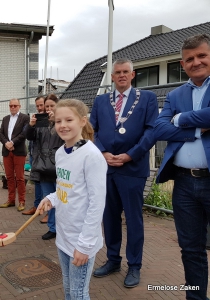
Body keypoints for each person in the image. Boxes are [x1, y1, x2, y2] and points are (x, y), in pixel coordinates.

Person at [90, 58, 159, 288]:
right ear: (112, 77)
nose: (121, 75)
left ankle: (135, 266)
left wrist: (131, 154)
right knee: (109, 218)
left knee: (133, 219)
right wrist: (102, 153)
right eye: (117, 72)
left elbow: (151, 131)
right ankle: (112, 260)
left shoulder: (148, 99)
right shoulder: (100, 101)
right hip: (106, 168)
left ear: (132, 74)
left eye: (125, 72)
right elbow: (92, 130)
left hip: (132, 168)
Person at [154, 34, 210, 300]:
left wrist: (182, 119)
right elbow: (159, 127)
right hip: (184, 183)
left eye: (202, 56)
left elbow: (173, 123)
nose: (196, 62)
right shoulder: (176, 94)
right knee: (190, 248)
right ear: (182, 64)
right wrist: (197, 130)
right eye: (190, 59)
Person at [37, 99, 107, 299]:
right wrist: (52, 198)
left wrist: (85, 245)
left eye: (69, 120)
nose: (63, 125)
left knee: (78, 293)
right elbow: (64, 187)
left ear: (82, 121)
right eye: (58, 121)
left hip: (82, 239)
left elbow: (97, 203)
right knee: (68, 289)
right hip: (64, 235)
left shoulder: (92, 156)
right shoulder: (60, 153)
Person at [26, 94, 63, 240]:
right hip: (43, 166)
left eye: (51, 106)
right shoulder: (40, 122)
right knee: (49, 199)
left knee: (62, 199)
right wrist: (31, 125)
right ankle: (52, 228)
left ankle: (62, 229)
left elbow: (65, 137)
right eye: (46, 106)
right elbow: (29, 137)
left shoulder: (61, 122)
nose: (48, 109)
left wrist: (56, 121)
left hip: (58, 166)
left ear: (57, 106)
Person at [0, 98, 29, 212]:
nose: (13, 107)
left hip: (18, 151)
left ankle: (22, 201)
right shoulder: (5, 119)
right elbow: (0, 133)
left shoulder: (25, 118)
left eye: (15, 105)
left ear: (19, 106)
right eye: (11, 106)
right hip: (7, 151)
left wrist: (13, 142)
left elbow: (24, 133)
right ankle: (11, 200)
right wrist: (6, 143)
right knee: (9, 177)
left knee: (20, 178)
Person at [23, 96, 45, 216]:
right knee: (36, 181)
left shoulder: (51, 119)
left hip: (47, 157)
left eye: (41, 105)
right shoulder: (35, 118)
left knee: (47, 183)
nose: (39, 108)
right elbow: (28, 135)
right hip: (34, 154)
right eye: (37, 106)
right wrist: (31, 125)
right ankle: (37, 207)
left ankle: (48, 211)